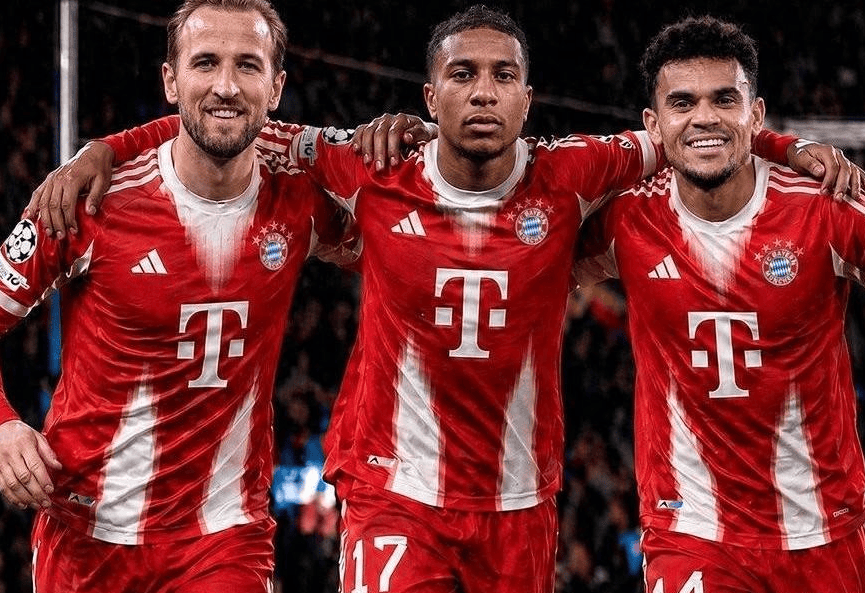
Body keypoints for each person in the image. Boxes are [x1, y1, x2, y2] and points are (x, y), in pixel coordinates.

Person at [23, 5, 864, 592]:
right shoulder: (371, 167)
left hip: (521, 502)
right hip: (392, 494)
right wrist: (103, 150)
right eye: (463, 74)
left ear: (528, 99)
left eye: (503, 76)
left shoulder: (574, 174)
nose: (483, 91)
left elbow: (694, 134)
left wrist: (790, 146)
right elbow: (230, 124)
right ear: (431, 98)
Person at [0, 1, 366, 591]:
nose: (226, 85)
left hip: (224, 539)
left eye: (248, 65)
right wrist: (3, 426)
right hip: (87, 537)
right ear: (171, 80)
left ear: (276, 88)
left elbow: (407, 241)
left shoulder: (300, 202)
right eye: (205, 63)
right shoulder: (90, 202)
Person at [575, 16, 865, 592]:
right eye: (682, 102)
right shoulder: (628, 219)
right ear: (653, 126)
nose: (704, 117)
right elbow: (512, 227)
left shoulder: (822, 209)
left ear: (755, 115)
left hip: (823, 532)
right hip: (690, 532)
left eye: (724, 99)